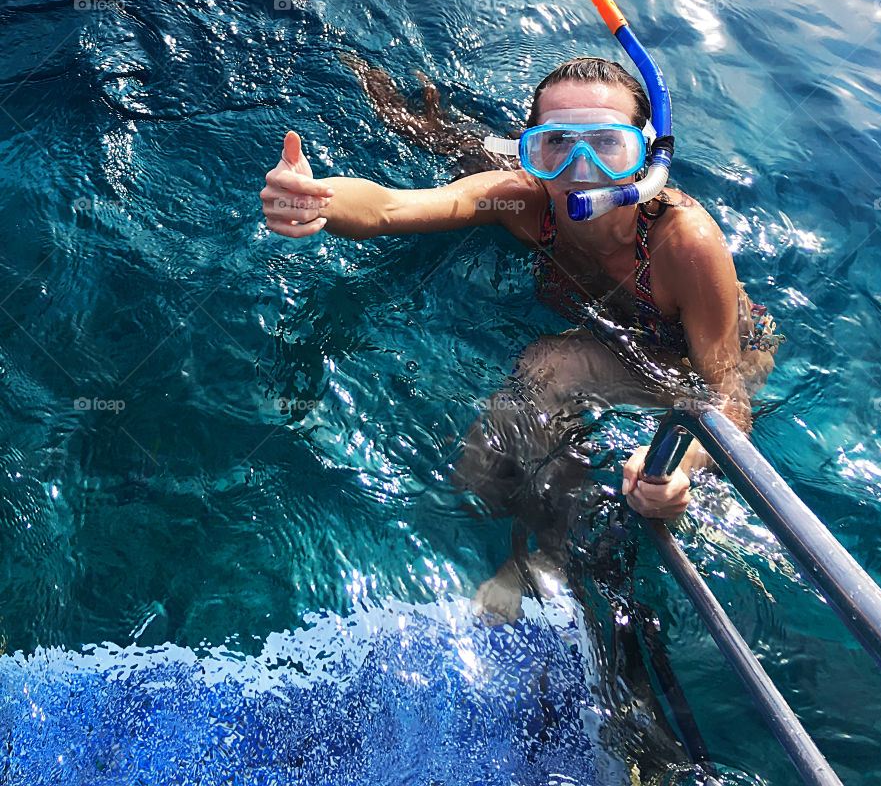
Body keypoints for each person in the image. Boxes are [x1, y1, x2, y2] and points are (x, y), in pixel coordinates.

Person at [260, 51, 780, 531]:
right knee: (476, 475)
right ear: (528, 151)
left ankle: (546, 564)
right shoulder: (523, 203)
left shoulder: (683, 241)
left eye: (608, 145)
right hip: (603, 332)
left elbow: (728, 398)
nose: (581, 171)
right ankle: (463, 538)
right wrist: (317, 200)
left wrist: (671, 464)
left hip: (695, 361)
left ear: (644, 155)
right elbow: (392, 208)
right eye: (555, 145)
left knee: (551, 366)